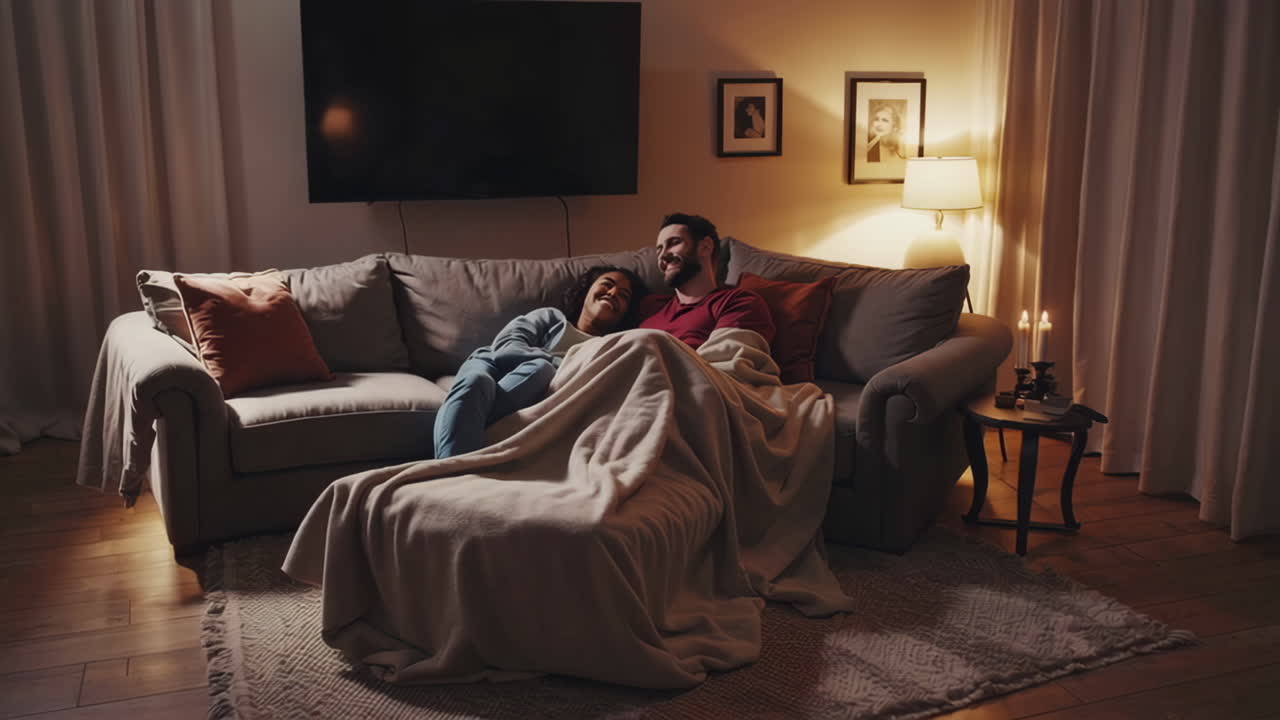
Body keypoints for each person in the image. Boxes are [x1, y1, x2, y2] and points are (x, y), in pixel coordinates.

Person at [433, 266, 647, 459]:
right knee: (477, 380)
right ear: (587, 291)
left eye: (623, 295)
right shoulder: (550, 318)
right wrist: (556, 362)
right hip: (492, 364)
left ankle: (452, 464)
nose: (612, 293)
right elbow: (508, 343)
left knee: (538, 371)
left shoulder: (610, 347)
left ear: (626, 313)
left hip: (535, 394)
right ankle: (452, 467)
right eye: (607, 285)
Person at [638, 213, 775, 349]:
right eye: (659, 250)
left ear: (705, 247)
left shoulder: (738, 302)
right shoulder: (650, 308)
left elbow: (729, 361)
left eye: (674, 243)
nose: (663, 255)